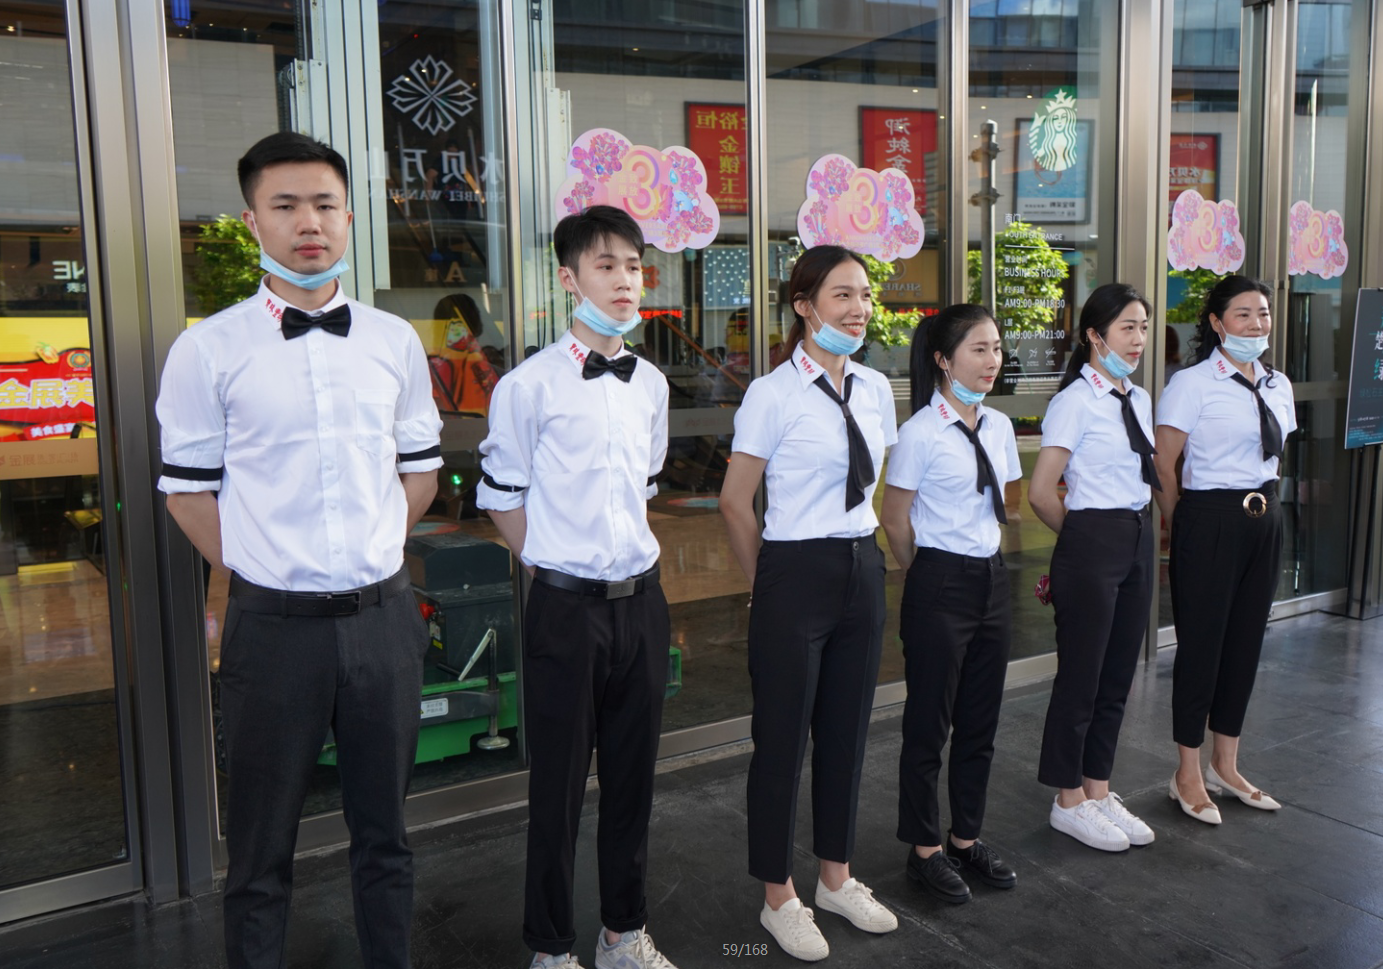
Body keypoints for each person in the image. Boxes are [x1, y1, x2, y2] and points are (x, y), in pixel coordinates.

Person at [156, 131, 442, 969]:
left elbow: (420, 474)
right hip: (273, 631)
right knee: (259, 848)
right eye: (285, 205)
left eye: (324, 203)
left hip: (383, 622)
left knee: (386, 835)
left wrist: (374, 545)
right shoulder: (208, 349)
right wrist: (260, 566)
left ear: (349, 216)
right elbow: (185, 493)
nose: (307, 221)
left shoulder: (392, 340)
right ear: (253, 221)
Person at [477, 204, 678, 969]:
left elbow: (643, 488)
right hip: (564, 608)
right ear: (568, 278)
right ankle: (551, 948)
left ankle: (623, 933)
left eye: (632, 265)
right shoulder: (527, 386)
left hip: (642, 603)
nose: (624, 279)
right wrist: (553, 565)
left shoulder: (649, 382)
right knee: (557, 792)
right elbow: (501, 496)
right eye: (604, 264)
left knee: (633, 783)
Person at [719, 245, 899, 962]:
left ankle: (836, 878)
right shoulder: (772, 393)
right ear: (803, 305)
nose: (858, 309)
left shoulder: (875, 388)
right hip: (793, 573)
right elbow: (735, 502)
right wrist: (765, 585)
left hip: (860, 565)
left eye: (864, 295)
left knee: (848, 735)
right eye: (841, 295)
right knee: (782, 742)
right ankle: (778, 897)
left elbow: (873, 482)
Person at [879, 304, 1019, 906]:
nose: (993, 361)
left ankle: (965, 838)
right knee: (928, 726)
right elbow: (894, 518)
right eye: (979, 349)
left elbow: (1003, 502)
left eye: (997, 348)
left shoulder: (999, 426)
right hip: (939, 580)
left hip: (991, 580)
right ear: (943, 359)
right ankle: (924, 849)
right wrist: (927, 574)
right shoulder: (920, 432)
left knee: (980, 722)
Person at [1154, 274, 1295, 823]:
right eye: (1243, 314)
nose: (1256, 324)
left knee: (1245, 643)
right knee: (1202, 647)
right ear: (1216, 323)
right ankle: (1186, 772)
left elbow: (1275, 454)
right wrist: (1182, 522)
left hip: (1265, 517)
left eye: (1263, 313)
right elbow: (1164, 464)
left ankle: (1225, 765)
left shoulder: (1278, 384)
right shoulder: (1191, 384)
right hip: (1208, 518)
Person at [1027, 284, 1160, 852]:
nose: (1138, 339)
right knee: (1081, 677)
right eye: (1127, 327)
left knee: (1117, 675)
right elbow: (1040, 492)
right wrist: (1084, 542)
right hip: (1092, 539)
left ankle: (1098, 789)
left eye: (1143, 327)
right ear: (1094, 336)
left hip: (1137, 535)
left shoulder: (1140, 398)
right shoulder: (1075, 402)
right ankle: (1068, 799)